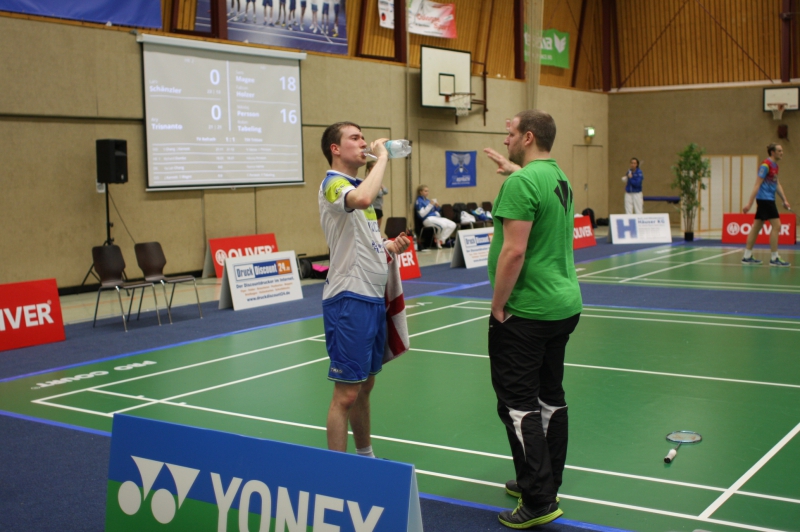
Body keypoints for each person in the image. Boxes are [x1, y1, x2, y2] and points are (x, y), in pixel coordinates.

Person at [487, 110, 582, 528]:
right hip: (563, 306)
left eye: (509, 134)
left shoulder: (521, 183)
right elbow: (536, 193)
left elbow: (514, 251)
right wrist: (516, 171)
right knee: (549, 400)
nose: (504, 140)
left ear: (527, 137)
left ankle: (538, 500)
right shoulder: (557, 176)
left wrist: (497, 305)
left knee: (517, 406)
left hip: (527, 310)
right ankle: (543, 480)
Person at [318, 122, 411, 456]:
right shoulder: (334, 185)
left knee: (365, 387)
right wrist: (383, 156)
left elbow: (364, 239)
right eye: (354, 138)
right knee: (345, 395)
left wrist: (387, 246)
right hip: (349, 299)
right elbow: (364, 197)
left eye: (362, 138)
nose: (362, 142)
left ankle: (365, 459)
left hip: (372, 298)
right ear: (336, 149)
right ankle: (339, 476)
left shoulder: (356, 185)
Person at [742, 143, 792, 266]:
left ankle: (747, 256)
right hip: (765, 200)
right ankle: (774, 258)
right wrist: (749, 203)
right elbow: (757, 184)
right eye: (779, 151)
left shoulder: (775, 166)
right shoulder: (765, 166)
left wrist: (784, 200)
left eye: (782, 150)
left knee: (757, 227)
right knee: (777, 226)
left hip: (768, 199)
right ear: (772, 152)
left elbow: (777, 184)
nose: (782, 153)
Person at [415, 184, 457, 249]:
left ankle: (441, 240)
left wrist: (437, 206)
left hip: (435, 217)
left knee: (452, 224)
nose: (427, 193)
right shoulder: (419, 201)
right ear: (421, 192)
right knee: (443, 225)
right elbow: (422, 214)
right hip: (427, 219)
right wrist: (430, 205)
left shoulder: (428, 200)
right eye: (425, 191)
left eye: (428, 191)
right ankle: (438, 240)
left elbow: (435, 210)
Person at [366, 160, 389, 231]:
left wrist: (381, 189)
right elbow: (376, 193)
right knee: (373, 229)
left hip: (378, 207)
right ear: (370, 168)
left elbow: (386, 191)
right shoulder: (369, 179)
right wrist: (380, 191)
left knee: (378, 229)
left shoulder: (377, 179)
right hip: (373, 208)